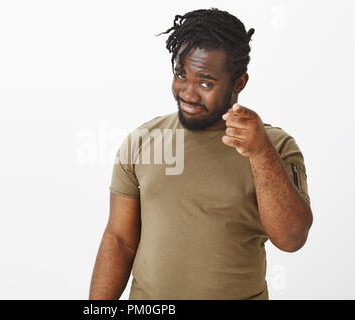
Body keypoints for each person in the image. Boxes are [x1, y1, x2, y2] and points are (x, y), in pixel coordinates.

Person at [89, 8, 313, 300]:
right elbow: (119, 240)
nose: (188, 93)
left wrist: (260, 153)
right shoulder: (143, 141)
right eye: (181, 75)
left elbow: (291, 239)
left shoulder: (276, 146)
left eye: (205, 83)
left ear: (239, 83)